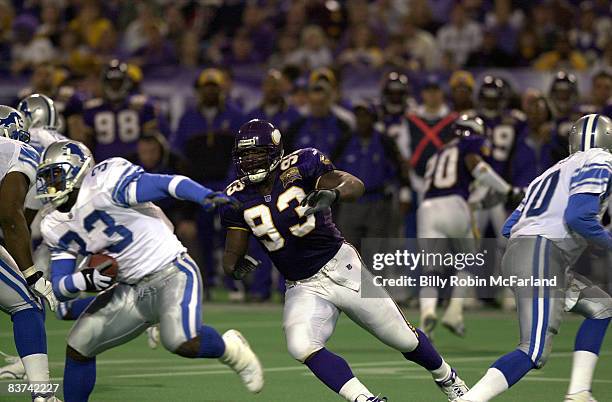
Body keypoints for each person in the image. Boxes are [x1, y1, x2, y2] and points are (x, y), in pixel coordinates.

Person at [220, 119, 469, 402]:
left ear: (275, 151)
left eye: (257, 153)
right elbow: (232, 251)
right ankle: (363, 399)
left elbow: (354, 184)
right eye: (245, 155)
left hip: (341, 266)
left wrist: (334, 193)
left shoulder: (302, 164)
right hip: (302, 284)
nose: (250, 161)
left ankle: (448, 378)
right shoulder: (236, 196)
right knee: (301, 345)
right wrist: (233, 266)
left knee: (403, 338)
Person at [36, 140, 264, 401]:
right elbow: (60, 288)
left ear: (78, 169)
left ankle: (231, 350)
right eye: (46, 177)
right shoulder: (54, 222)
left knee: (181, 342)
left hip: (170, 270)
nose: (49, 184)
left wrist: (201, 194)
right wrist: (84, 280)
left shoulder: (105, 182)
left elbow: (163, 183)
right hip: (129, 289)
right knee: (79, 345)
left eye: (55, 175)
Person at [455, 114, 612, 402]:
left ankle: (579, 392)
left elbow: (508, 226)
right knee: (533, 349)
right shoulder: (601, 160)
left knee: (602, 306)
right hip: (543, 254)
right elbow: (578, 216)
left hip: (523, 253)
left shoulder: (551, 172)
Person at [418, 115, 513, 339]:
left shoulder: (437, 154)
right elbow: (477, 167)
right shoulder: (470, 144)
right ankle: (454, 310)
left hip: (427, 208)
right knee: (469, 259)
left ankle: (427, 314)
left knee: (430, 270)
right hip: (456, 205)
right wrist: (507, 190)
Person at [0, 105, 59, 401]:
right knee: (27, 304)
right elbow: (11, 214)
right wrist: (31, 272)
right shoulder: (16, 148)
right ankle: (42, 395)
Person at [75, 59, 158, 161]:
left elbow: (152, 141)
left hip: (135, 164)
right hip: (103, 165)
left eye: (118, 82)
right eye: (112, 82)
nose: (115, 86)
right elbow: (86, 144)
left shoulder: (141, 106)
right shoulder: (92, 109)